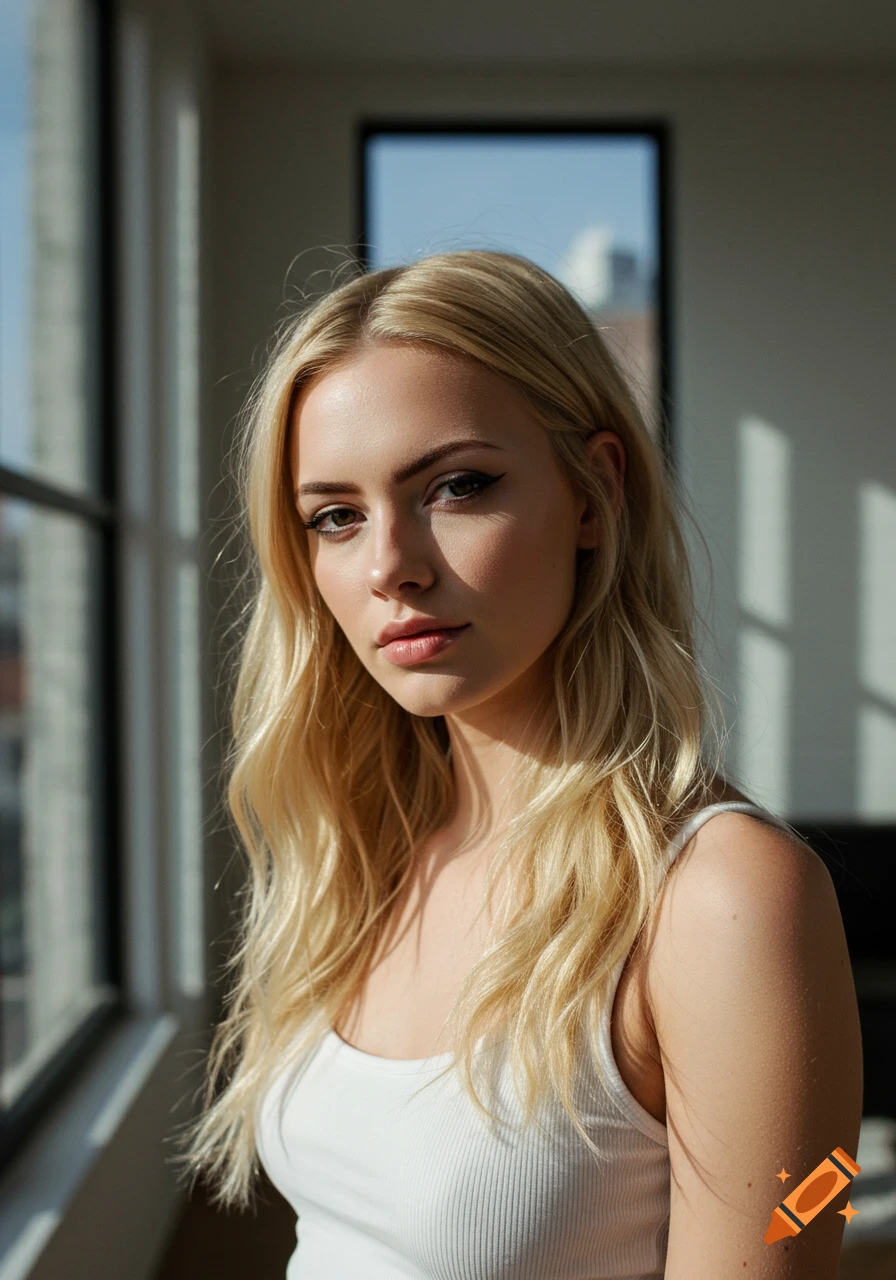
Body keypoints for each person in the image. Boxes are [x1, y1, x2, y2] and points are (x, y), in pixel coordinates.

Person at [183, 249, 863, 1279]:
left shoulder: (718, 895)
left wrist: (807, 1213)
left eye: (456, 486)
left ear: (593, 491)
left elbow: (805, 1207)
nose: (388, 565)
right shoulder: (372, 847)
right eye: (335, 514)